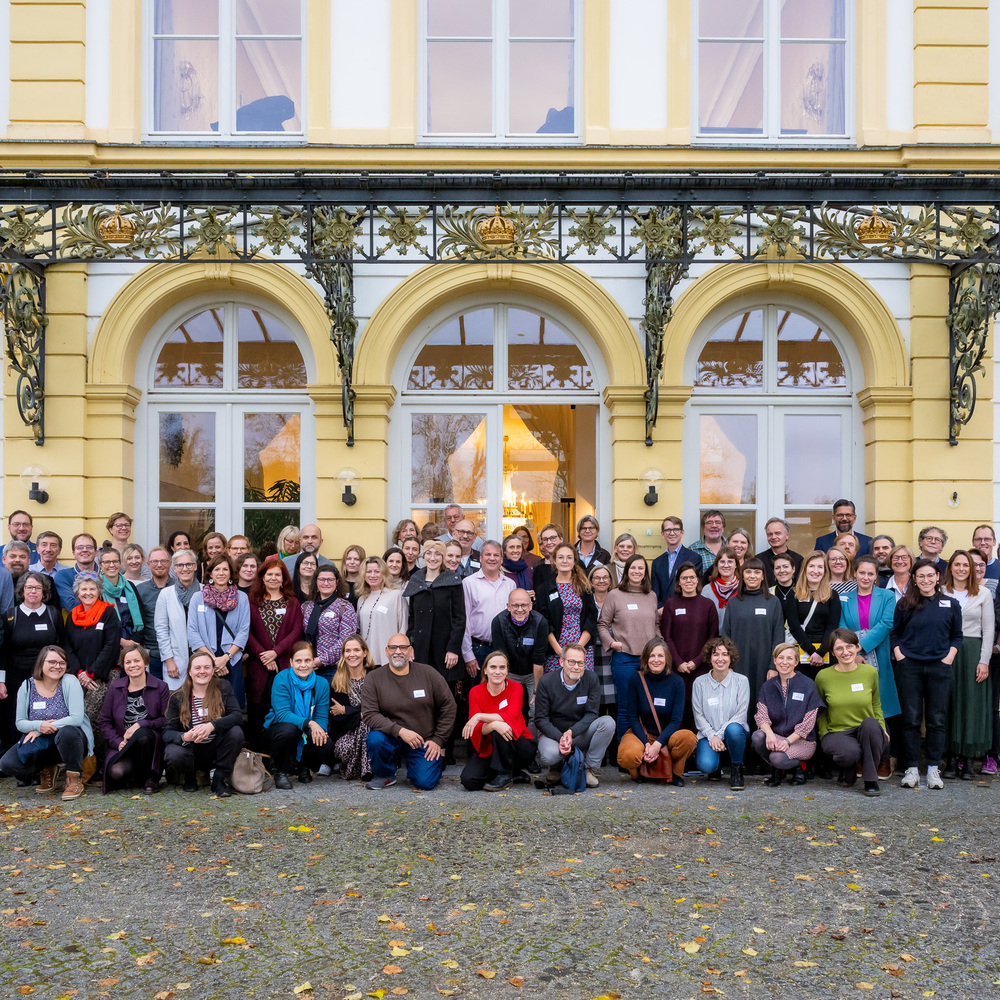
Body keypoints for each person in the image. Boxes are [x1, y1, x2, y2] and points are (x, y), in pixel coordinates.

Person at [891, 559, 962, 790]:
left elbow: (957, 635)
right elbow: (895, 634)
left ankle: (933, 768)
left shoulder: (950, 604)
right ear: (914, 578)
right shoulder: (904, 604)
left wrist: (949, 656)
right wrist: (899, 654)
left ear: (938, 577)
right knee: (910, 720)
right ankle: (911, 768)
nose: (925, 580)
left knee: (936, 720)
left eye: (930, 575)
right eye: (920, 576)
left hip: (939, 667)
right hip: (909, 667)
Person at [361, 633, 457, 791]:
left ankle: (422, 767)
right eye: (393, 647)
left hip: (423, 739)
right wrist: (400, 731)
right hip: (390, 736)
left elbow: (449, 705)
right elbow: (370, 714)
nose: (398, 651)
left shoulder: (428, 673)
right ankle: (385, 775)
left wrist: (438, 739)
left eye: (403, 647)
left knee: (425, 782)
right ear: (386, 651)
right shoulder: (374, 678)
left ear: (410, 651)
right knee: (375, 739)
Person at [0, 645, 93, 800]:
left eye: (62, 662)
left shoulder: (70, 681)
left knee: (67, 732)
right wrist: (38, 726)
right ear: (41, 663)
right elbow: (20, 723)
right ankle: (46, 769)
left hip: (71, 740)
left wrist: (42, 728)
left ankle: (74, 779)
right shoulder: (27, 686)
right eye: (52, 662)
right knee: (7, 763)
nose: (57, 666)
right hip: (43, 741)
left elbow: (76, 718)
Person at [838, 554, 900, 777]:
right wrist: (851, 653)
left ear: (876, 576)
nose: (865, 577)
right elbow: (842, 625)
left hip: (879, 655)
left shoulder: (887, 596)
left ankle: (883, 758)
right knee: (857, 705)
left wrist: (859, 647)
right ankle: (861, 757)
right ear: (855, 573)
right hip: (850, 657)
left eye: (870, 574)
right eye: (861, 572)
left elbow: (886, 624)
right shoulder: (844, 597)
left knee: (880, 705)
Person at [405, 541, 466, 741]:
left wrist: (453, 649)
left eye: (437, 554)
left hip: (444, 651)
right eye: (428, 553)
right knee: (422, 697)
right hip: (422, 651)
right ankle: (424, 740)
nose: (432, 557)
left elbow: (459, 619)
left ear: (443, 557)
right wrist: (411, 644)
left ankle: (444, 745)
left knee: (445, 699)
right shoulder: (416, 580)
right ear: (423, 556)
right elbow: (412, 618)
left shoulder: (452, 580)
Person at [941, 550, 994, 779]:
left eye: (966, 565)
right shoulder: (940, 591)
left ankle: (969, 759)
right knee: (949, 703)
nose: (962, 568)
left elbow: (989, 629)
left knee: (972, 705)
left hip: (973, 651)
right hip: (946, 653)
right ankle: (951, 758)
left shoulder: (982, 593)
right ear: (950, 567)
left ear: (972, 569)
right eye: (957, 564)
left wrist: (984, 661)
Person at [816, 628, 888, 796]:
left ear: (857, 647)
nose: (845, 652)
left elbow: (876, 704)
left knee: (871, 724)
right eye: (839, 648)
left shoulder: (869, 672)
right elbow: (820, 711)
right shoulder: (823, 676)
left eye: (849, 647)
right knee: (850, 752)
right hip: (837, 731)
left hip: (865, 730)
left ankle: (871, 780)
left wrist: (882, 728)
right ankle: (849, 767)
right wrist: (824, 733)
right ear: (833, 653)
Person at [162, 650, 244, 797]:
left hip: (215, 748)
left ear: (213, 670)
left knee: (236, 732)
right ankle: (190, 776)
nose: (202, 672)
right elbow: (167, 732)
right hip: (191, 750)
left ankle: (219, 779)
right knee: (172, 753)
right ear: (190, 672)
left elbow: (237, 716)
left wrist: (212, 725)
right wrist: (186, 736)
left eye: (207, 667)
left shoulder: (223, 687)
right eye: (197, 668)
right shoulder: (178, 696)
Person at [618, 638, 697, 785]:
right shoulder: (636, 679)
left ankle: (675, 774)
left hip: (667, 735)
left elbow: (676, 720)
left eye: (660, 656)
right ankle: (636, 775)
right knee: (627, 754)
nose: (656, 660)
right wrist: (646, 743)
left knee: (689, 738)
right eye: (652, 656)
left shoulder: (677, 682)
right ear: (646, 658)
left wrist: (658, 744)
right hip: (642, 733)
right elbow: (632, 716)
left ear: (667, 658)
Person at [534, 644, 615, 788]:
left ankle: (587, 768)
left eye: (580, 663)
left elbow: (592, 714)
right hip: (553, 734)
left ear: (585, 663)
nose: (576, 666)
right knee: (549, 755)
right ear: (561, 662)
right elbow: (541, 719)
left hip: (579, 733)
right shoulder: (546, 682)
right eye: (571, 662)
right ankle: (557, 767)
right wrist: (561, 737)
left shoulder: (591, 679)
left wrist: (571, 732)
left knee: (608, 723)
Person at [597, 553, 659, 739]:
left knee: (648, 705)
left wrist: (660, 644)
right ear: (626, 570)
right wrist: (612, 643)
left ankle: (646, 749)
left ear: (645, 572)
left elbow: (656, 624)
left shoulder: (651, 595)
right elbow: (602, 624)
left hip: (649, 660)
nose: (637, 571)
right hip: (624, 659)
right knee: (626, 707)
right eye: (633, 567)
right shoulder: (615, 594)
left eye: (641, 568)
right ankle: (623, 753)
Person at [1, 572, 65, 750]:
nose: (33, 591)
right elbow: (3, 651)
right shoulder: (10, 616)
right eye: (29, 587)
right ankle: (17, 760)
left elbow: (63, 644)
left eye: (38, 588)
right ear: (22, 590)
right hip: (16, 676)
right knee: (16, 715)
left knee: (43, 716)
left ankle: (40, 763)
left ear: (44, 591)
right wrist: (1, 681)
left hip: (47, 676)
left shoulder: (53, 614)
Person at [64, 574, 122, 765]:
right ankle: (79, 763)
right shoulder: (72, 616)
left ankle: (100, 763)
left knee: (91, 716)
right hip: (78, 675)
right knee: (72, 717)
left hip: (104, 674)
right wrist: (80, 673)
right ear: (77, 593)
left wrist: (92, 673)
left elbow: (111, 646)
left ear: (99, 591)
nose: (88, 593)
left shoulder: (108, 613)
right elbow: (68, 647)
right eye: (84, 589)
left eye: (92, 589)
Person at [245, 558, 303, 747]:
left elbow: (296, 631)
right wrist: (264, 654)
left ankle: (281, 753)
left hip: (284, 664)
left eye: (278, 574)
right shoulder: (252, 601)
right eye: (269, 574)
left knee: (283, 707)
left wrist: (275, 652)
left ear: (284, 578)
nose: (273, 578)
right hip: (258, 665)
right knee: (258, 709)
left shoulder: (292, 602)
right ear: (262, 577)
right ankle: (258, 755)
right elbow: (247, 631)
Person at [720, 558, 784, 726]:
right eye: (748, 572)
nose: (752, 575)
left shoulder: (772, 602)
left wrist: (773, 666)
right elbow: (726, 635)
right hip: (739, 664)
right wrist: (729, 664)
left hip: (765, 666)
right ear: (742, 575)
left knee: (763, 705)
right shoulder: (734, 603)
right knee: (739, 704)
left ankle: (761, 745)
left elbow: (778, 636)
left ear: (763, 576)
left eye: (757, 572)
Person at [99, 644, 169, 794]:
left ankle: (151, 777)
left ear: (145, 662)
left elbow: (166, 720)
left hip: (149, 744)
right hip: (123, 745)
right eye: (128, 662)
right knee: (116, 773)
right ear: (123, 666)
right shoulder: (115, 688)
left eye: (137, 661)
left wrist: (141, 724)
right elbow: (104, 721)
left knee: (143, 734)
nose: (133, 665)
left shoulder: (161, 686)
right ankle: (138, 776)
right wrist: (118, 742)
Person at [460, 651, 535, 792]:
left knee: (502, 728)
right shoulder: (475, 692)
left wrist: (479, 717)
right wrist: (494, 724)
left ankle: (504, 774)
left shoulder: (516, 688)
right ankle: (513, 774)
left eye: (502, 667)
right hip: (489, 749)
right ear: (485, 670)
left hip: (518, 746)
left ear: (507, 671)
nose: (498, 671)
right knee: (468, 781)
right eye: (493, 667)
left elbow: (511, 715)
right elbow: (476, 730)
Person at [752, 642, 823, 785]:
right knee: (758, 736)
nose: (785, 662)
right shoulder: (768, 686)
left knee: (777, 758)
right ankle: (777, 770)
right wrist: (770, 734)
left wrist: (787, 742)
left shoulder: (807, 685)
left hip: (802, 741)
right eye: (781, 658)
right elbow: (761, 716)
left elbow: (808, 724)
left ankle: (799, 767)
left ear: (796, 662)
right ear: (775, 660)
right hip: (777, 735)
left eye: (789, 658)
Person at [186, 555, 251, 709]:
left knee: (232, 707)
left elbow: (243, 631)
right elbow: (192, 632)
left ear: (230, 574)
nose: (221, 573)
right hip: (206, 661)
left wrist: (226, 657)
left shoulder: (242, 598)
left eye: (225, 569)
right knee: (207, 707)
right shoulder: (197, 597)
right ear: (210, 574)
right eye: (217, 569)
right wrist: (213, 660)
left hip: (232, 660)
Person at [263, 642, 330, 789]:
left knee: (325, 740)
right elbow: (282, 714)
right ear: (291, 662)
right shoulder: (282, 678)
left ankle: (305, 767)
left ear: (314, 662)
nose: (303, 665)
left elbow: (321, 717)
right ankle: (280, 770)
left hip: (305, 729)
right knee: (290, 730)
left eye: (307, 660)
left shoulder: (322, 683)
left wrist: (319, 730)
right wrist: (310, 723)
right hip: (280, 728)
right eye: (298, 661)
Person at [660, 561, 719, 724]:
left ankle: (699, 746)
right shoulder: (671, 604)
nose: (688, 581)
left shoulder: (708, 605)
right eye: (684, 578)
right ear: (678, 581)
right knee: (678, 710)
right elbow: (667, 636)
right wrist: (679, 663)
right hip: (676, 668)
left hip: (701, 668)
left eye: (692, 577)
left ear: (698, 580)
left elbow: (713, 638)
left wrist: (696, 662)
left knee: (700, 710)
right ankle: (679, 746)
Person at [691, 636, 751, 789]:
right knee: (706, 766)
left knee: (734, 729)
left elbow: (741, 714)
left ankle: (737, 769)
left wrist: (719, 735)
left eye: (725, 654)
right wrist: (712, 736)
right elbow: (698, 715)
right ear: (709, 658)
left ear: (731, 658)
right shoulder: (699, 683)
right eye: (716, 654)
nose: (720, 658)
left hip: (735, 733)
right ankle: (716, 766)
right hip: (708, 735)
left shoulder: (741, 681)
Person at [536, 543, 598, 674]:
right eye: (561, 557)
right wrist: (560, 651)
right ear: (554, 560)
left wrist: (579, 648)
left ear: (574, 561)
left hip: (582, 647)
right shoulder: (544, 589)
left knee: (581, 687)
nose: (565, 561)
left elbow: (591, 618)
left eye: (569, 557)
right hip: (555, 650)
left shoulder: (584, 587)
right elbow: (543, 622)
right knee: (556, 689)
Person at [490, 588, 548, 721]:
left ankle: (533, 739)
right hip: (509, 671)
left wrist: (536, 692)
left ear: (531, 606)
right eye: (515, 605)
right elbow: (501, 657)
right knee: (508, 708)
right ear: (508, 607)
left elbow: (539, 659)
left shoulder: (540, 622)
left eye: (524, 605)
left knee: (536, 708)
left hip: (532, 672)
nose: (520, 609)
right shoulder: (498, 622)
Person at [462, 541, 516, 682]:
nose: (492, 558)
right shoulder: (469, 583)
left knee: (501, 695)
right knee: (477, 693)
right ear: (480, 558)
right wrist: (468, 655)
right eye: (488, 554)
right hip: (478, 649)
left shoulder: (510, 584)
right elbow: (464, 620)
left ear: (501, 559)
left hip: (504, 649)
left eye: (496, 555)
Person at [784, 550, 841, 679]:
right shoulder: (793, 594)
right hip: (801, 651)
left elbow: (833, 627)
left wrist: (820, 652)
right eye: (811, 566)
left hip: (826, 652)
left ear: (825, 571)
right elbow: (794, 627)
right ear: (805, 569)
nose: (816, 571)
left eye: (820, 567)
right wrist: (811, 652)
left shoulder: (832, 595)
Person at [328, 635, 375, 780]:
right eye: (348, 651)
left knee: (366, 724)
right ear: (343, 654)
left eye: (356, 650)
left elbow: (379, 709)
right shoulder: (337, 682)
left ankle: (362, 770)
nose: (352, 654)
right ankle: (367, 769)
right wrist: (360, 714)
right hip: (345, 734)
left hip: (374, 729)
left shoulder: (374, 676)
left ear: (365, 652)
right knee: (363, 723)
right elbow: (335, 720)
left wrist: (346, 710)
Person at [153, 550, 201, 692]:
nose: (185, 568)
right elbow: (161, 630)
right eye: (180, 565)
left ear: (195, 566)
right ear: (174, 569)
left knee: (203, 702)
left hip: (201, 657)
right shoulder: (166, 594)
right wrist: (169, 660)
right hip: (176, 658)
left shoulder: (205, 592)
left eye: (189, 564)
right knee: (177, 702)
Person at [302, 565, 357, 682]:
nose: (326, 583)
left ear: (337, 582)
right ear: (316, 581)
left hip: (333, 669)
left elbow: (346, 641)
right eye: (322, 579)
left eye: (330, 579)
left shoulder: (345, 607)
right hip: (306, 666)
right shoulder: (306, 607)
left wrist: (321, 660)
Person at [357, 557, 408, 668]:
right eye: (368, 571)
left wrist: (401, 651)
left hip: (390, 658)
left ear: (383, 573)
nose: (372, 575)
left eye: (377, 571)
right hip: (368, 660)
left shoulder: (395, 595)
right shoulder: (361, 599)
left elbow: (403, 627)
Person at [588, 564, 617, 722]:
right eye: (597, 577)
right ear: (591, 581)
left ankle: (614, 746)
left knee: (615, 700)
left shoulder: (617, 599)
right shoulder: (585, 600)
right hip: (591, 654)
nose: (601, 581)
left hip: (613, 653)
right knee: (594, 699)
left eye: (605, 577)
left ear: (610, 580)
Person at [98, 548, 144, 647]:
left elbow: (142, 615)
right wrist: (121, 642)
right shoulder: (96, 589)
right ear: (100, 565)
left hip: (134, 644)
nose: (111, 565)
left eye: (115, 561)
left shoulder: (130, 586)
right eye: (107, 562)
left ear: (120, 563)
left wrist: (133, 643)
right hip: (108, 645)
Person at [651, 515, 699, 607]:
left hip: (686, 610)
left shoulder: (694, 558)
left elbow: (695, 589)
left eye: (676, 529)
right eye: (668, 530)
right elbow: (655, 592)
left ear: (682, 533)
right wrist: (662, 608)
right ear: (662, 534)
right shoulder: (657, 562)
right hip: (663, 613)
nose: (672, 533)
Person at [53, 533, 98, 611]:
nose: (84, 550)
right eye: (80, 547)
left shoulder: (104, 574)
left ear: (96, 552)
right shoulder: (63, 576)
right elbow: (72, 605)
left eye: (89, 547)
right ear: (73, 553)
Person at [756, 518, 802, 587]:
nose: (773, 537)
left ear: (787, 535)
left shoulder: (798, 560)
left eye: (777, 533)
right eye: (770, 534)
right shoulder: (759, 559)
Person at [701, 546, 740, 628]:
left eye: (730, 561)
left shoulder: (742, 589)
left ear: (736, 565)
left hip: (737, 638)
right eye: (722, 561)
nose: (726, 565)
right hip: (713, 638)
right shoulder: (707, 590)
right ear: (717, 565)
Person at [690, 510, 727, 579]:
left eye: (718, 522)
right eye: (709, 523)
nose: (714, 526)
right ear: (703, 527)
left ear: (723, 526)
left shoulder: (732, 546)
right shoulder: (693, 550)